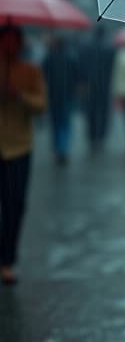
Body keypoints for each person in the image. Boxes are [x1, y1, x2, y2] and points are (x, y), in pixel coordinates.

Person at [0, 26, 47, 285]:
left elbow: (41, 105)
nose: (8, 47)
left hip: (19, 146)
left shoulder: (31, 71)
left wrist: (19, 96)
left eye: (12, 42)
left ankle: (8, 261)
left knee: (14, 204)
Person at [42, 33, 80, 166]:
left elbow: (43, 77)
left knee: (56, 124)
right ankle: (63, 149)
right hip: (67, 96)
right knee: (65, 124)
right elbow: (78, 77)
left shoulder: (49, 58)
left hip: (53, 97)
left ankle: (58, 149)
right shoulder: (72, 58)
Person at [79, 26, 115, 152]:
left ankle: (92, 135)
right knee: (104, 111)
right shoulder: (110, 48)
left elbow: (81, 66)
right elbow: (113, 68)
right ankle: (101, 135)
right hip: (105, 84)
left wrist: (83, 81)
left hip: (90, 84)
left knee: (91, 111)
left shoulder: (86, 47)